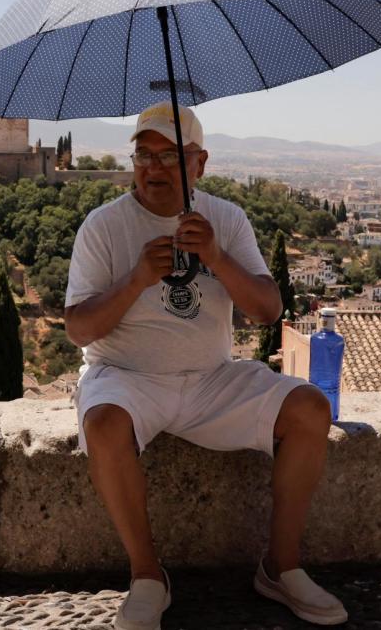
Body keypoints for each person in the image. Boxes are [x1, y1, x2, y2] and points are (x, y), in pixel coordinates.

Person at [64, 101, 346, 629]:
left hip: (212, 379)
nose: (152, 168)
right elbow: (79, 329)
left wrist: (216, 256)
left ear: (200, 164)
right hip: (126, 376)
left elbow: (267, 310)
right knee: (102, 422)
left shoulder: (226, 218)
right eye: (143, 155)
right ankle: (148, 577)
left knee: (309, 407)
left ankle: (281, 568)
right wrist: (134, 282)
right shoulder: (103, 227)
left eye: (168, 157)